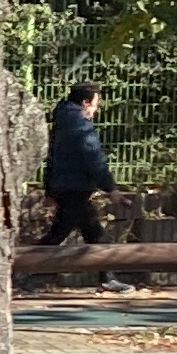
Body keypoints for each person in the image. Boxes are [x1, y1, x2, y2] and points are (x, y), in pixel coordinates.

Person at [42, 81, 113, 248]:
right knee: (94, 236)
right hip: (75, 187)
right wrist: (109, 186)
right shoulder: (80, 125)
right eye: (95, 104)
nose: (96, 110)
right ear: (85, 102)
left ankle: (110, 273)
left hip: (63, 186)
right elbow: (93, 156)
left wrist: (49, 187)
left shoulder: (62, 121)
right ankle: (21, 269)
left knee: (64, 233)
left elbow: (52, 157)